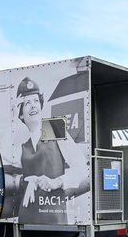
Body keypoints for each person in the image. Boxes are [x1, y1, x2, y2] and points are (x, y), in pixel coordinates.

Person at [13, 77, 86, 224]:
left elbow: (82, 168)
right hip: (27, 216)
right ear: (21, 114)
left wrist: (58, 182)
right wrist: (28, 180)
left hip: (54, 217)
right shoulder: (23, 144)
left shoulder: (53, 127)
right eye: (27, 103)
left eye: (35, 101)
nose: (33, 106)